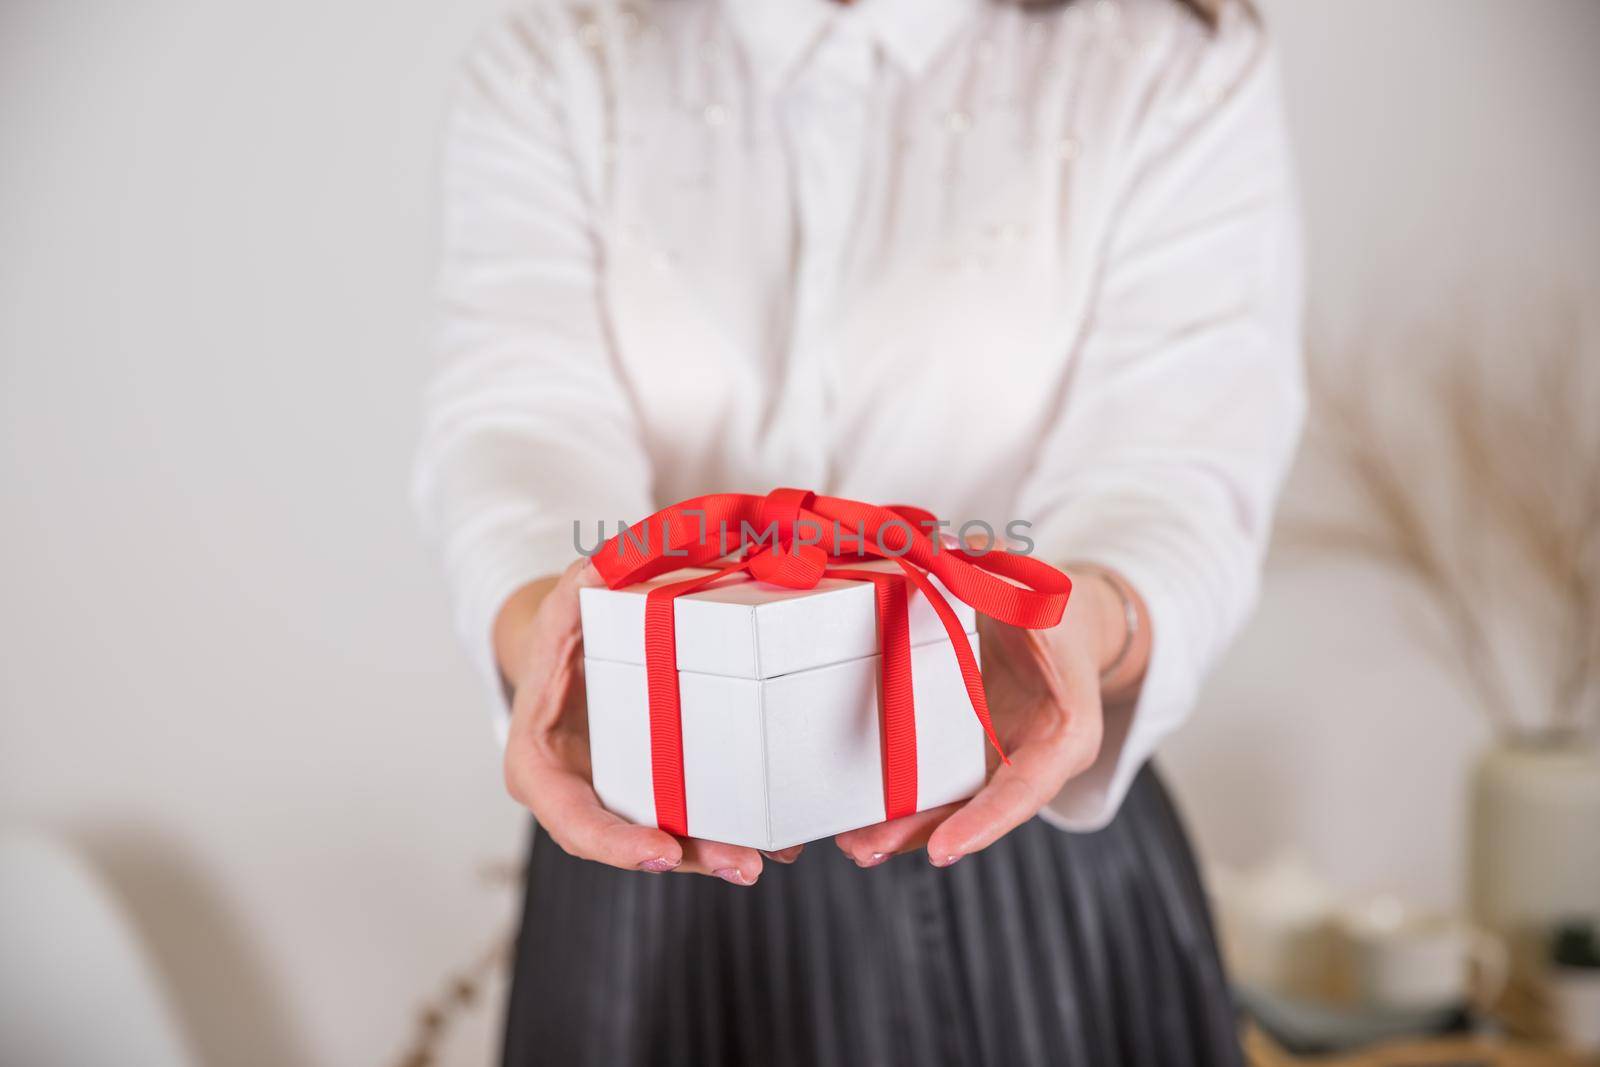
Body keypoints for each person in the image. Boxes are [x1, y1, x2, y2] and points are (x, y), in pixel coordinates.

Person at [414, 0, 1302, 1062]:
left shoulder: (1163, 62)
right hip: (648, 806)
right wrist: (540, 628)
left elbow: (1173, 466)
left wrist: (1082, 622)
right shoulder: (562, 55)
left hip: (1011, 811)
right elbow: (520, 418)